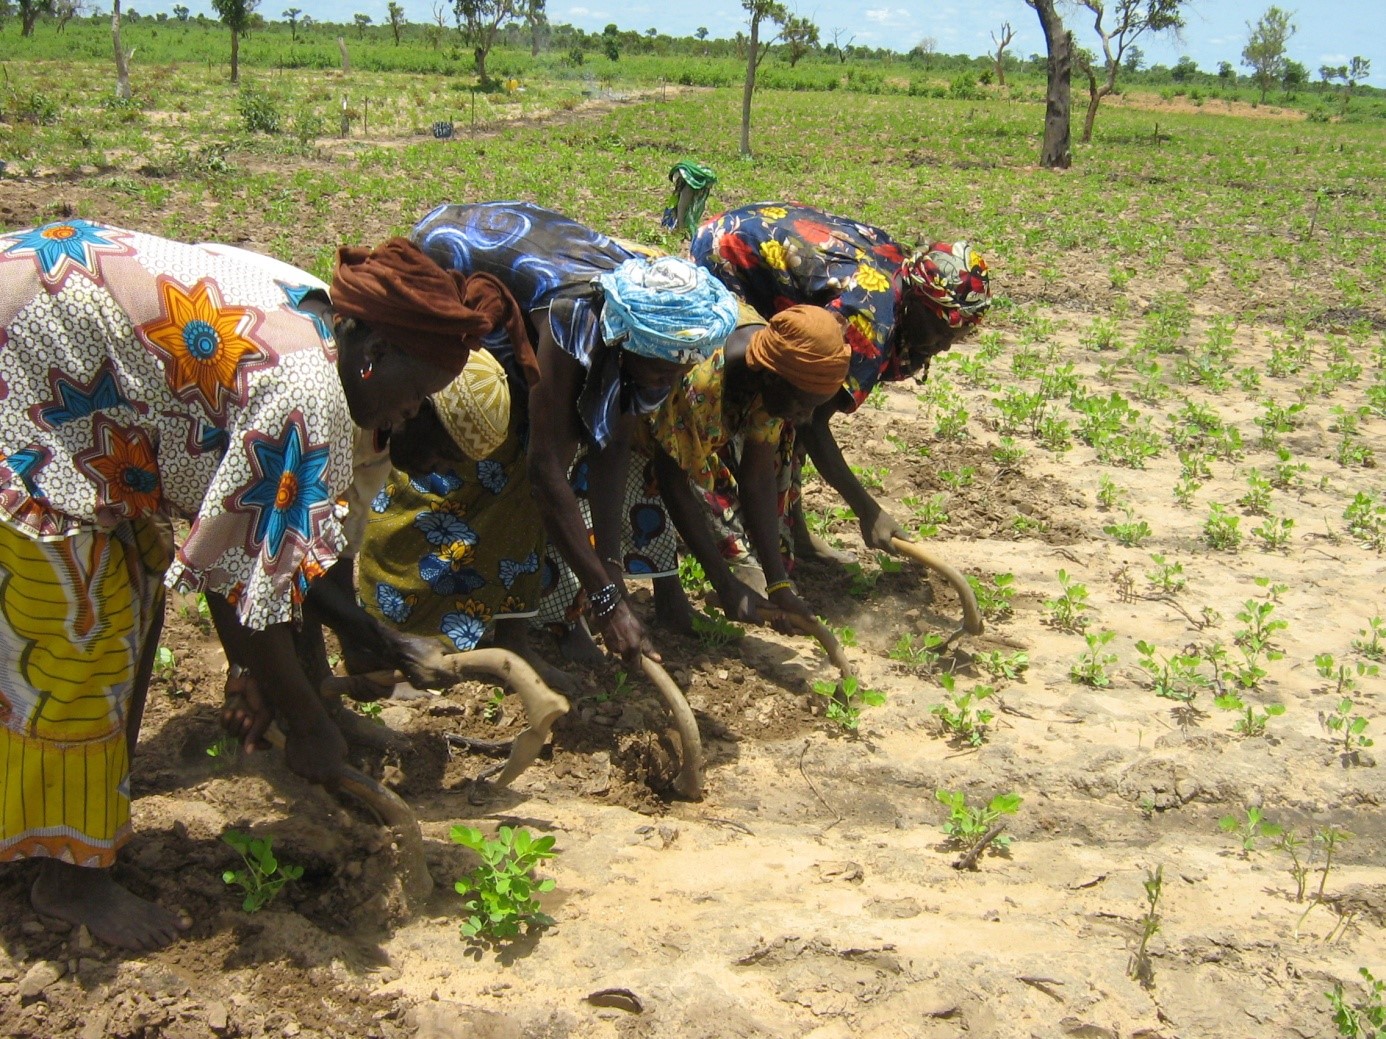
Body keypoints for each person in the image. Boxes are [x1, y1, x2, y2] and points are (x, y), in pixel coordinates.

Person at [0, 219, 523, 950]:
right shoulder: (305, 389)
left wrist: (304, 690)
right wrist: (308, 725)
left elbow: (257, 564)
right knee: (84, 629)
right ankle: (66, 878)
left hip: (84, 379)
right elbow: (239, 588)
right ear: (374, 354)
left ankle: (76, 817)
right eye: (415, 397)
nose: (408, 417)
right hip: (28, 369)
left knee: (137, 601)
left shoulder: (331, 340)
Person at [410, 202, 739, 664]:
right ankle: (453, 624)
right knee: (494, 449)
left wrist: (610, 575)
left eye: (680, 368)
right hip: (453, 256)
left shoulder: (648, 333)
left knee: (570, 463)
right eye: (662, 368)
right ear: (629, 343)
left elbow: (614, 445)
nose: (671, 378)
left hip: (537, 269)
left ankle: (540, 615)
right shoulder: (573, 319)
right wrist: (607, 601)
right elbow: (545, 470)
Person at [691, 202, 991, 569]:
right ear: (914, 301)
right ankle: (728, 540)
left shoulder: (902, 281)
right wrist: (868, 510)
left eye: (956, 335)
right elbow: (811, 422)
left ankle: (791, 532)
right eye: (941, 330)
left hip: (755, 238)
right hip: (732, 256)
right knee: (768, 405)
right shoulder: (868, 315)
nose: (944, 345)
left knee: (787, 415)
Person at [646, 305, 850, 628]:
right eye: (802, 406)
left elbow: (758, 478)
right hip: (628, 400)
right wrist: (725, 585)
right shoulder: (702, 379)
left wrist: (779, 584)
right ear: (771, 378)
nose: (804, 419)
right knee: (639, 480)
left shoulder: (773, 370)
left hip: (680, 420)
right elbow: (672, 482)